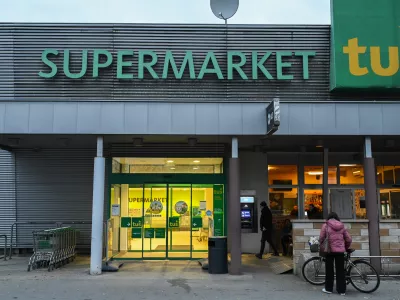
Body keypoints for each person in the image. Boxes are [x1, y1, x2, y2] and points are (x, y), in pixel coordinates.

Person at [319, 212, 352, 296]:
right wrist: (345, 247)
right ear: (337, 218)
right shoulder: (342, 225)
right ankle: (342, 291)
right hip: (340, 251)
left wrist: (321, 245)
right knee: (340, 271)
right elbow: (348, 239)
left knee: (329, 270)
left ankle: (329, 289)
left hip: (329, 250)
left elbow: (321, 238)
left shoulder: (325, 225)